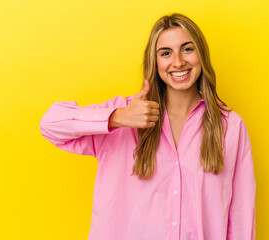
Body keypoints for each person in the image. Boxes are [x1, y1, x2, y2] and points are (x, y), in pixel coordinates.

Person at [39, 12, 256, 240]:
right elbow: (50, 124)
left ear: (201, 54)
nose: (178, 62)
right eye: (165, 53)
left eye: (187, 49)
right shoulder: (122, 113)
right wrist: (117, 118)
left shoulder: (231, 126)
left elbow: (241, 219)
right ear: (155, 61)